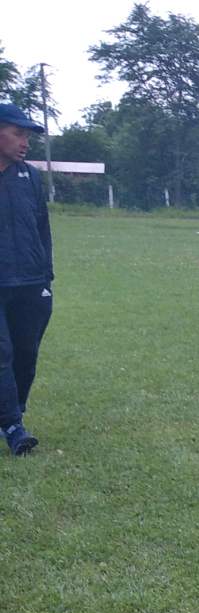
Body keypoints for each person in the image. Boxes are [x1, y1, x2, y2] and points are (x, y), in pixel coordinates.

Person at [0, 103, 52, 456]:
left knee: (26, 352)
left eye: (27, 136)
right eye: (18, 134)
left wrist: (47, 276)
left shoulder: (30, 177)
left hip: (32, 282)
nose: (25, 142)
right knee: (1, 352)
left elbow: (42, 228)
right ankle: (13, 426)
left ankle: (13, 410)